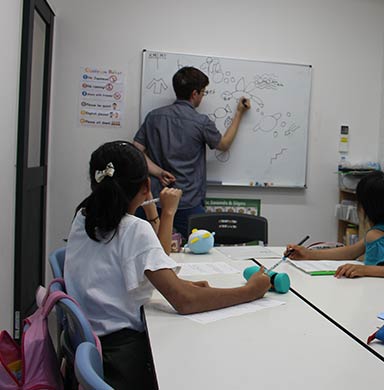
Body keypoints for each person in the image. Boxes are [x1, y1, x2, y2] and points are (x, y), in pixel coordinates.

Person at [64, 141, 271, 389]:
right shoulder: (132, 229)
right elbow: (185, 301)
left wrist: (176, 283)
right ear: (145, 186)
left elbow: (154, 261)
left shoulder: (84, 216)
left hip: (95, 345)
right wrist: (251, 291)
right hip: (122, 358)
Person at [134, 66, 250, 236]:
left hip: (156, 200)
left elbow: (136, 151)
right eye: (203, 92)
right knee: (200, 249)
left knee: (148, 249)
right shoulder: (200, 122)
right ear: (194, 93)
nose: (203, 96)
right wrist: (239, 113)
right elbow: (224, 144)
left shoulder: (154, 116)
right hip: (188, 201)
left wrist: (158, 172)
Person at [287, 171, 384, 280]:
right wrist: (309, 254)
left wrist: (364, 269)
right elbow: (351, 252)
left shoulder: (375, 235)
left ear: (363, 207)